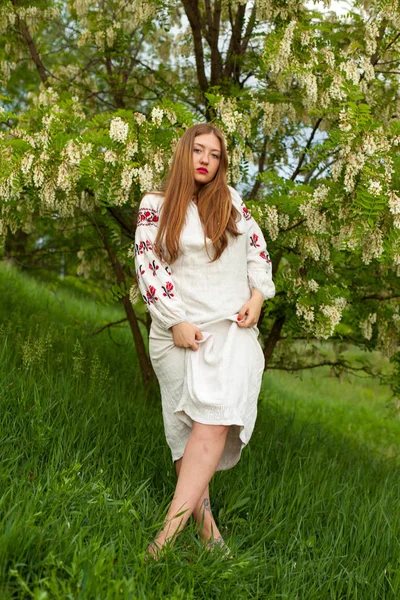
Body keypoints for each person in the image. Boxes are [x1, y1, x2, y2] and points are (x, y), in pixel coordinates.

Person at [134, 123, 275, 559]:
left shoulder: (231, 203)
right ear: (184, 153)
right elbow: (148, 265)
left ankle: (162, 542)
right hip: (176, 333)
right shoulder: (155, 205)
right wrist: (174, 321)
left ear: (221, 163)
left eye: (214, 155)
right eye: (198, 151)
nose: (206, 161)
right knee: (184, 431)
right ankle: (208, 530)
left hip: (229, 332)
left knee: (211, 421)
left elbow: (258, 252)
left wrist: (257, 296)